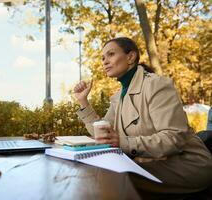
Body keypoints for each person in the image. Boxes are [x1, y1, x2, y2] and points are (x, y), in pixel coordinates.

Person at [73, 37, 212, 195]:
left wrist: (123, 142)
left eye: (111, 54)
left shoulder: (156, 85)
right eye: (103, 58)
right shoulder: (119, 96)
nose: (105, 61)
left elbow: (174, 137)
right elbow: (102, 133)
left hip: (188, 164)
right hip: (153, 163)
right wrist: (83, 101)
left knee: (110, 179)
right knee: (98, 173)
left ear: (131, 57)